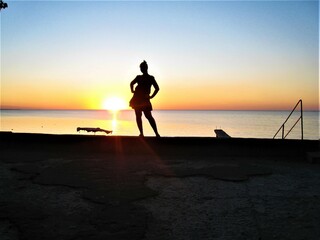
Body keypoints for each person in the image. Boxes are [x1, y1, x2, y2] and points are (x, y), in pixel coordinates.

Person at [130, 60, 160, 137]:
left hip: (144, 99)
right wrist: (132, 90)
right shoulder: (139, 77)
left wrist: (151, 96)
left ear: (146, 68)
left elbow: (157, 88)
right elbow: (131, 83)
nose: (142, 69)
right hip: (137, 99)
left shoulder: (151, 78)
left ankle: (156, 133)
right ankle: (142, 133)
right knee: (138, 116)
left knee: (148, 116)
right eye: (141, 68)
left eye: (142, 67)